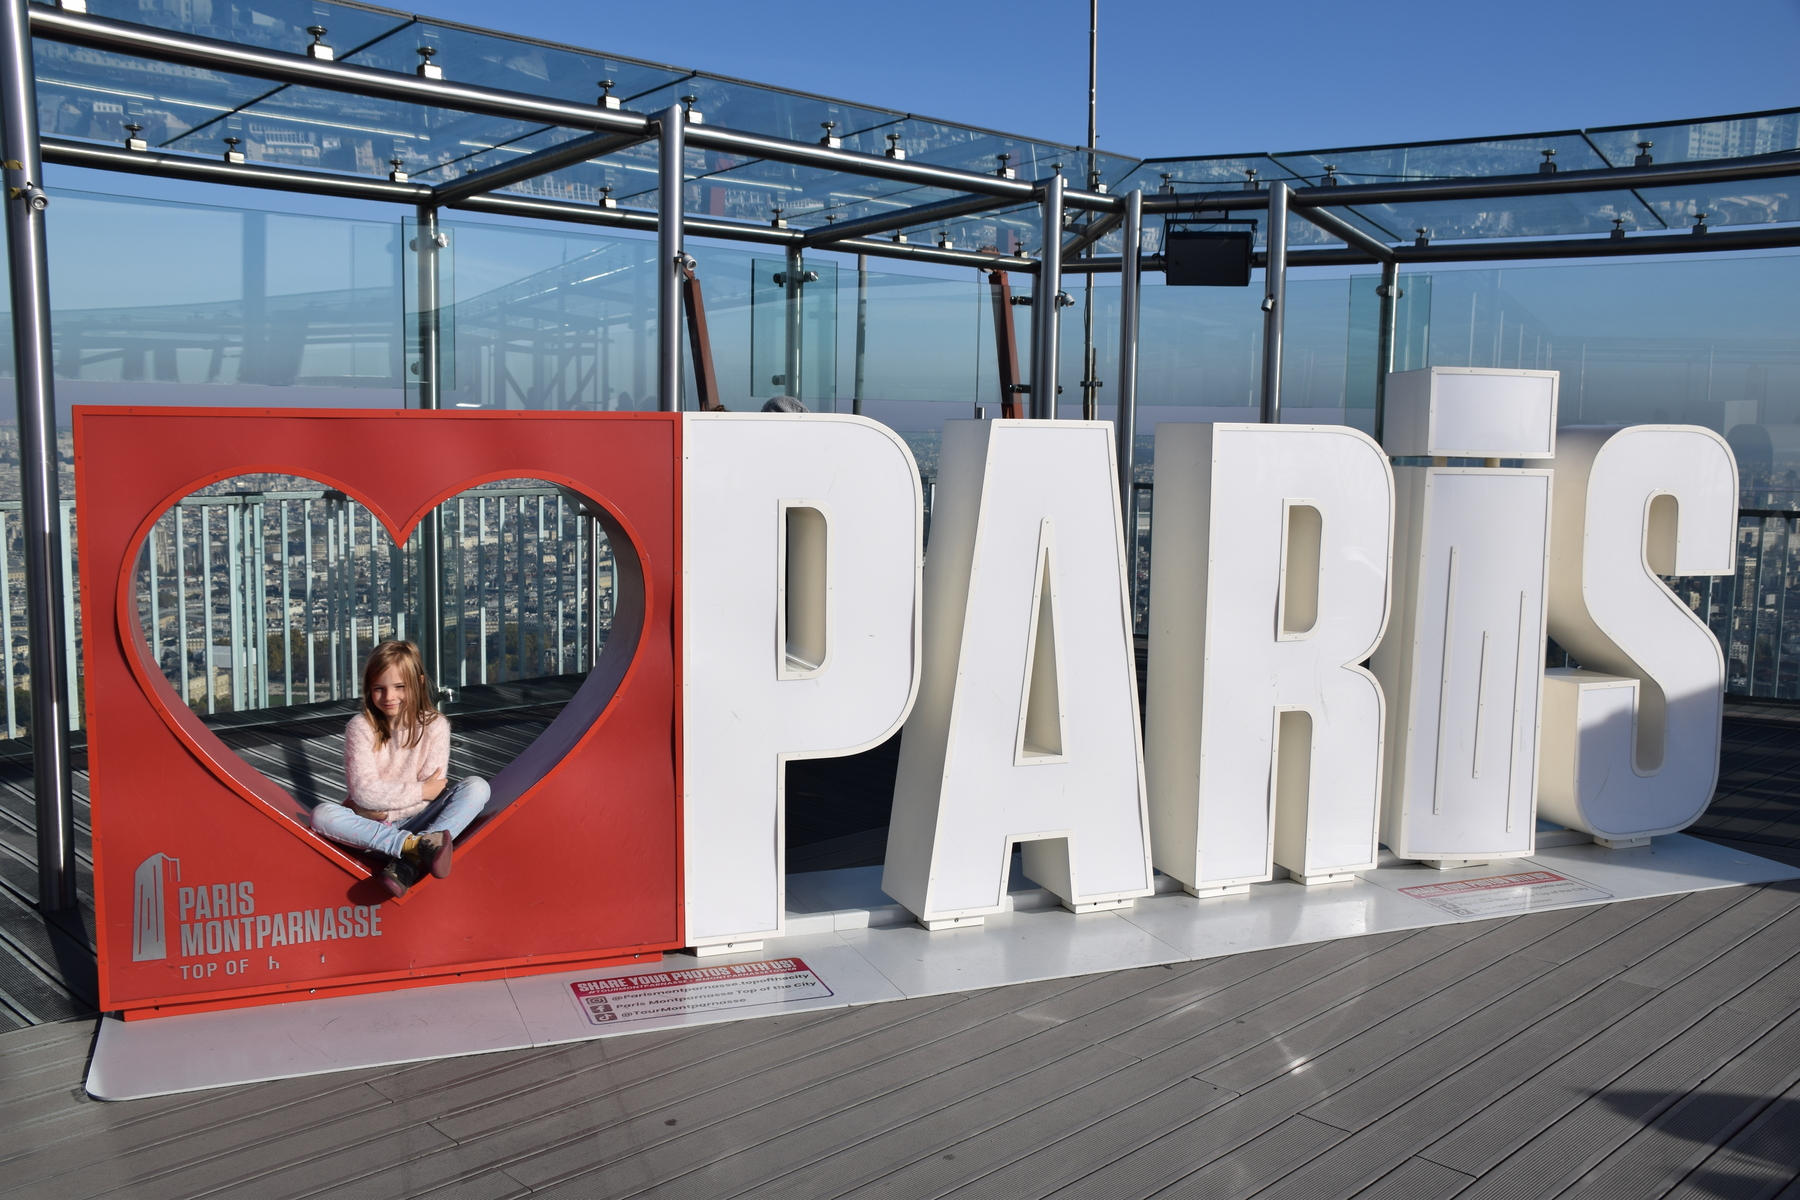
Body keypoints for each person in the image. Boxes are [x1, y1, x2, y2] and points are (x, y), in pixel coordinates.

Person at [312, 640, 490, 898]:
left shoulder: (436, 726)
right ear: (368, 688)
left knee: (477, 787)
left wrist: (383, 808)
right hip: (373, 830)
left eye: (399, 687)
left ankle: (411, 858)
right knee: (322, 815)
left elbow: (431, 794)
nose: (389, 697)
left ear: (418, 683)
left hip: (415, 820)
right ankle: (415, 848)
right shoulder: (360, 727)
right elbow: (365, 793)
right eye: (379, 688)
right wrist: (418, 792)